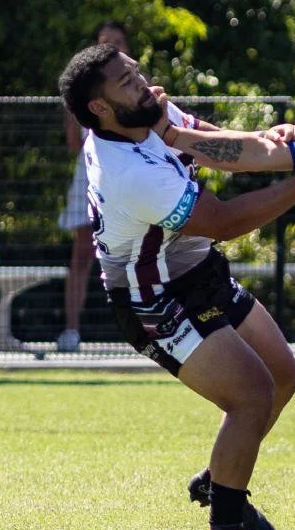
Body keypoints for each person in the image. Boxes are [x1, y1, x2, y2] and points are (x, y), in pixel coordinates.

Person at [57, 43, 295, 530]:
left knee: (283, 375)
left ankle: (222, 479)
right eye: (126, 82)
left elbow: (222, 149)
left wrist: (279, 146)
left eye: (136, 71)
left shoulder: (146, 113)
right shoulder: (126, 171)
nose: (143, 83)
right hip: (152, 298)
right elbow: (223, 221)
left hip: (197, 270)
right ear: (99, 109)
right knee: (251, 395)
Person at [56, 21, 220, 353]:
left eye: (117, 43)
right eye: (104, 42)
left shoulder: (143, 100)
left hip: (138, 180)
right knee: (82, 254)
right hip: (101, 175)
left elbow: (213, 143)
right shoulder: (90, 96)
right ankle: (71, 328)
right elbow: (74, 143)